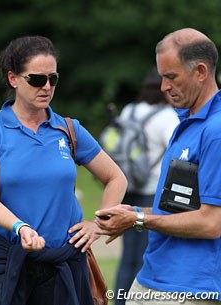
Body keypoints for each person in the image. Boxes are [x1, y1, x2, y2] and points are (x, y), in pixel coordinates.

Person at [0, 36, 127, 305]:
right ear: (13, 79)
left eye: (53, 79)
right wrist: (20, 227)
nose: (47, 87)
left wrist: (98, 225)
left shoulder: (69, 129)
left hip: (64, 264)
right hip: (8, 260)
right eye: (37, 79)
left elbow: (116, 178)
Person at [96, 28, 221, 305]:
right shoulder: (187, 122)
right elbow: (183, 210)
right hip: (153, 276)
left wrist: (139, 221)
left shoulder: (216, 131)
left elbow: (212, 222)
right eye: (162, 76)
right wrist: (135, 213)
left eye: (171, 77)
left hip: (189, 288)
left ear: (200, 71)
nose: (163, 87)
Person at [113, 67, 179, 305]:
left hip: (126, 187)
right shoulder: (167, 116)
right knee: (143, 257)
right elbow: (176, 154)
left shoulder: (129, 110)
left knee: (126, 257)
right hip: (150, 191)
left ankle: (119, 300)